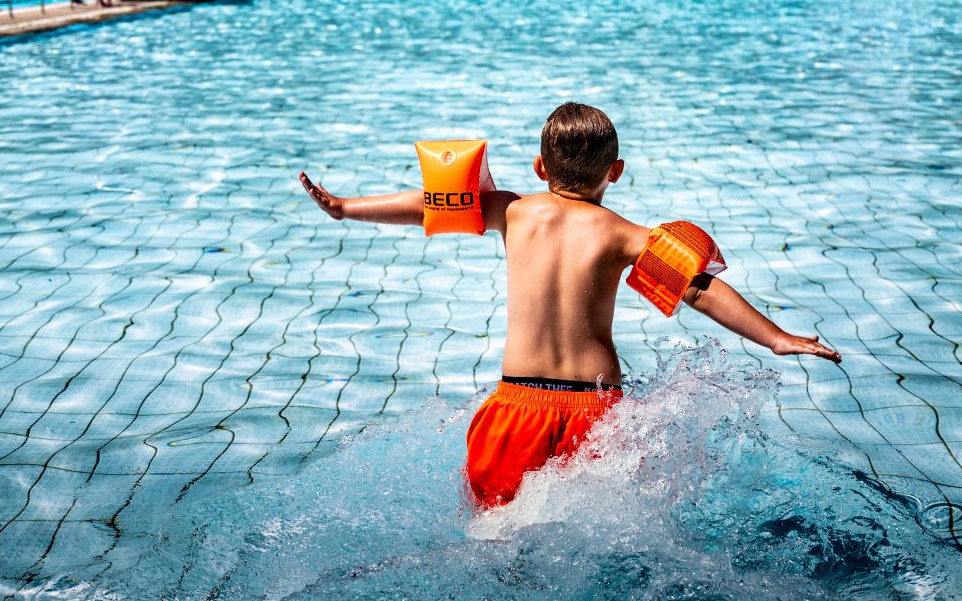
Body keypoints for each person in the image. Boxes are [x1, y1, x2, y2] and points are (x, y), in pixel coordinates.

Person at [298, 103, 840, 509]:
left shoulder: (513, 213)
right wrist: (776, 337)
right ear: (617, 170)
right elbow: (699, 289)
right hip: (595, 413)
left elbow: (430, 206)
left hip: (513, 410)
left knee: (494, 544)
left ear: (538, 167)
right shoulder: (626, 235)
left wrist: (345, 207)